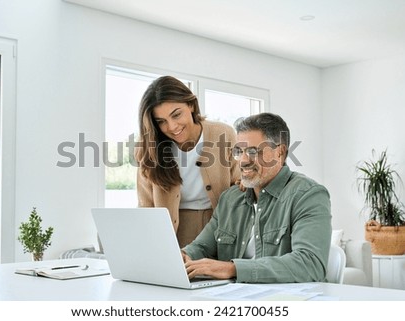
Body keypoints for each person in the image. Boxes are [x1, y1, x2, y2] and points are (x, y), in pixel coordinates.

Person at [182, 112, 332, 283]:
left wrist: (232, 269)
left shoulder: (308, 195)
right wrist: (183, 256)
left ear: (280, 153)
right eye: (239, 151)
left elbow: (310, 264)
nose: (243, 161)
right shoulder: (230, 199)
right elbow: (201, 247)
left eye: (253, 151)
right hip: (233, 298)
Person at [135, 75, 239, 248]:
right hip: (174, 232)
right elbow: (146, 205)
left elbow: (239, 184)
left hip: (220, 228)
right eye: (161, 122)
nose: (172, 127)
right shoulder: (149, 148)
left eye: (176, 115)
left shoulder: (224, 133)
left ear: (191, 104)